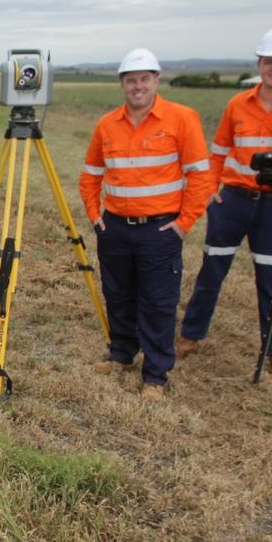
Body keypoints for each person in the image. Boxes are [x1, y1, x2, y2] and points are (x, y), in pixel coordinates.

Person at [177, 27, 272, 392]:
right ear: (259, 64)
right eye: (268, 61)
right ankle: (189, 337)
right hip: (232, 200)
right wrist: (211, 191)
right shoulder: (238, 104)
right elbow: (218, 152)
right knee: (211, 272)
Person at [79, 48, 211, 401]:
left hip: (160, 230)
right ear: (122, 84)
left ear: (156, 80)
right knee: (118, 294)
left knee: (157, 302)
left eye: (143, 79)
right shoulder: (107, 124)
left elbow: (200, 176)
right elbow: (90, 175)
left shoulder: (182, 119)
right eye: (130, 80)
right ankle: (122, 354)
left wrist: (184, 224)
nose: (137, 86)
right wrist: (96, 216)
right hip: (115, 228)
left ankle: (155, 373)